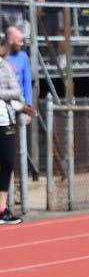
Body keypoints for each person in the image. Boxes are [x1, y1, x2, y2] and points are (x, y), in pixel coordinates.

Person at [0, 33, 32, 223]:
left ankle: (2, 209)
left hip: (5, 120)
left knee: (7, 162)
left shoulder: (5, 66)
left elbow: (17, 92)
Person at [4, 25, 33, 116]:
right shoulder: (2, 56)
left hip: (19, 102)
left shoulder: (23, 56)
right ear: (10, 41)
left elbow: (27, 81)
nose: (22, 44)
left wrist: (28, 104)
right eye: (19, 41)